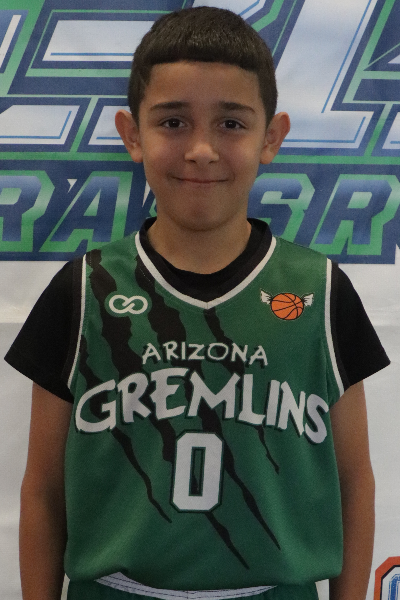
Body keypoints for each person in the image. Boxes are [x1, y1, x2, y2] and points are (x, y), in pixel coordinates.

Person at [5, 7, 390, 600]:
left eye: (231, 123)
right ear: (132, 134)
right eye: (173, 122)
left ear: (272, 137)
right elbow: (43, 490)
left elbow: (353, 482)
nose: (202, 149)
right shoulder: (83, 288)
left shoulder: (319, 290)